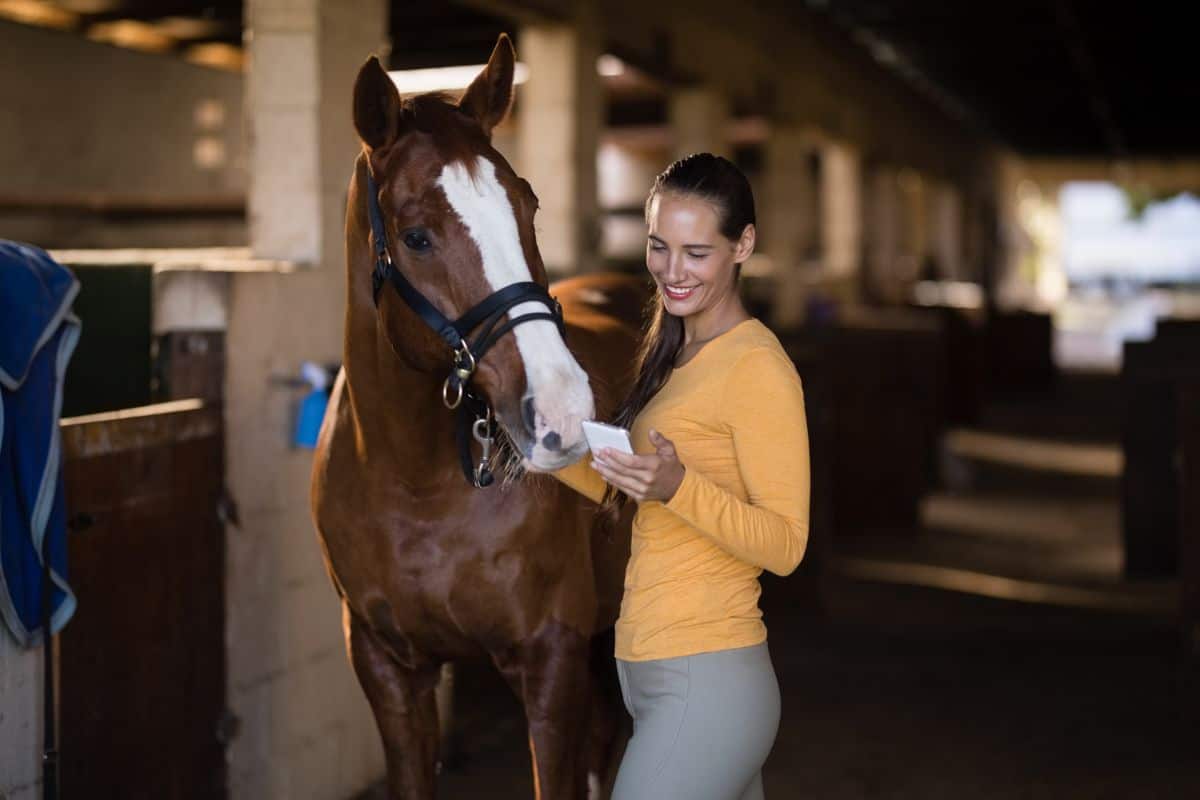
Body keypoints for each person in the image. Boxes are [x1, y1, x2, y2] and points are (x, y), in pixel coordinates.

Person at [553, 153, 811, 800]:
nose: (673, 271)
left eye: (697, 252)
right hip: (655, 675)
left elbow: (786, 545)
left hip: (708, 679)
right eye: (658, 247)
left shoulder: (757, 367)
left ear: (743, 245)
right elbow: (634, 493)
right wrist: (550, 454)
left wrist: (680, 488)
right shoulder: (678, 354)